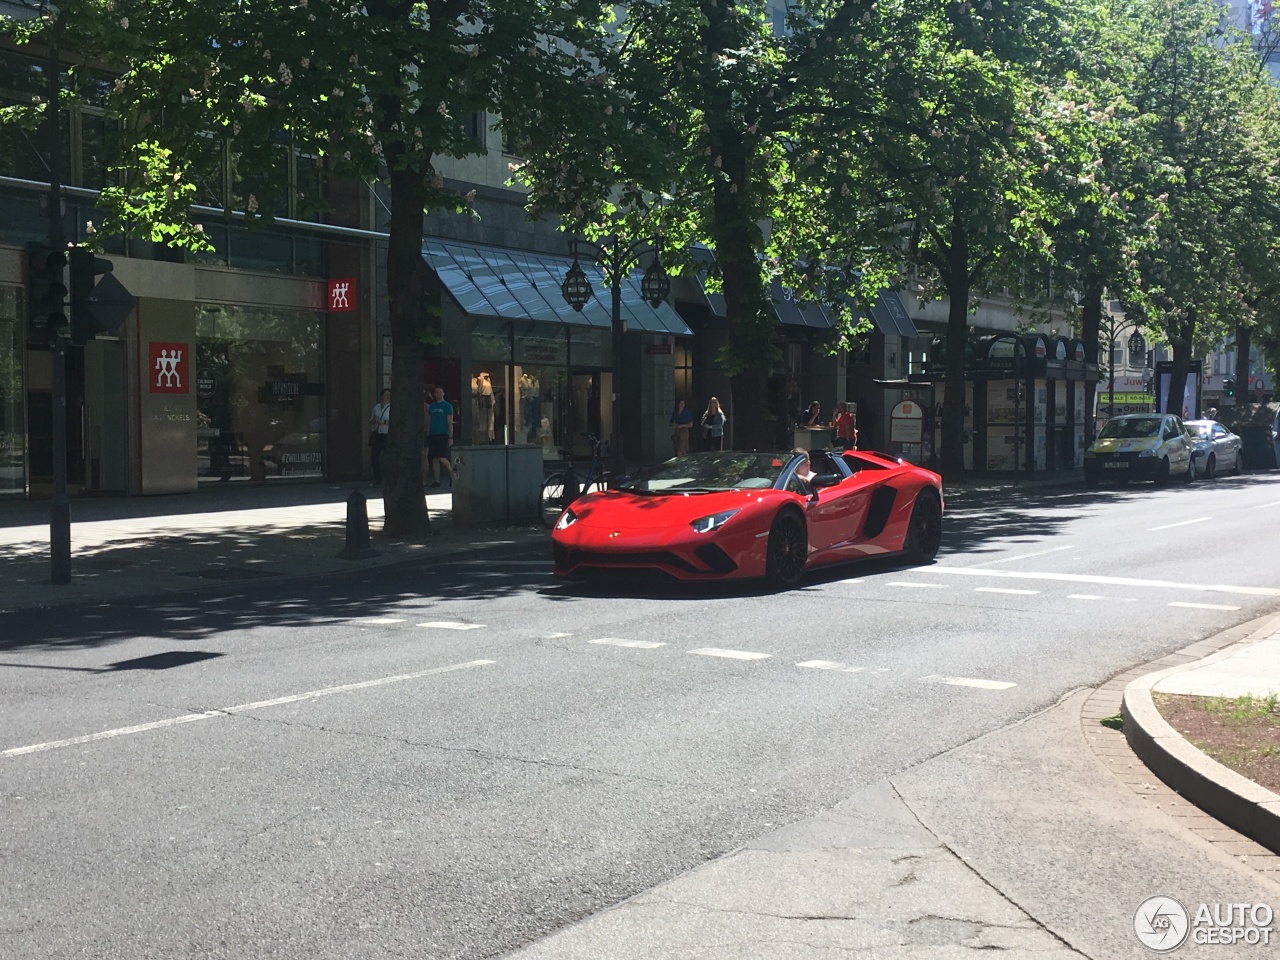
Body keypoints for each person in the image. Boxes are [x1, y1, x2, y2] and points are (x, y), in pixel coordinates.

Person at [425, 386, 456, 489]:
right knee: (434, 458)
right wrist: (428, 432)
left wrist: (450, 436)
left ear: (443, 393)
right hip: (432, 434)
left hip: (443, 434)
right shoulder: (432, 406)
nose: (438, 394)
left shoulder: (447, 406)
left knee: (441, 456)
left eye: (440, 392)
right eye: (436, 392)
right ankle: (436, 480)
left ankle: (453, 474)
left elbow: (450, 422)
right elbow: (429, 420)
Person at [367, 388, 391, 485]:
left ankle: (390, 478)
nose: (388, 396)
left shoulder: (391, 407)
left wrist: (383, 422)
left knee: (389, 456)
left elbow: (393, 421)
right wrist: (374, 421)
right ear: (382, 396)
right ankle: (377, 478)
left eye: (389, 395)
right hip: (377, 434)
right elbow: (371, 419)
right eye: (386, 394)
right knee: (374, 456)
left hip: (387, 434)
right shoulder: (377, 407)